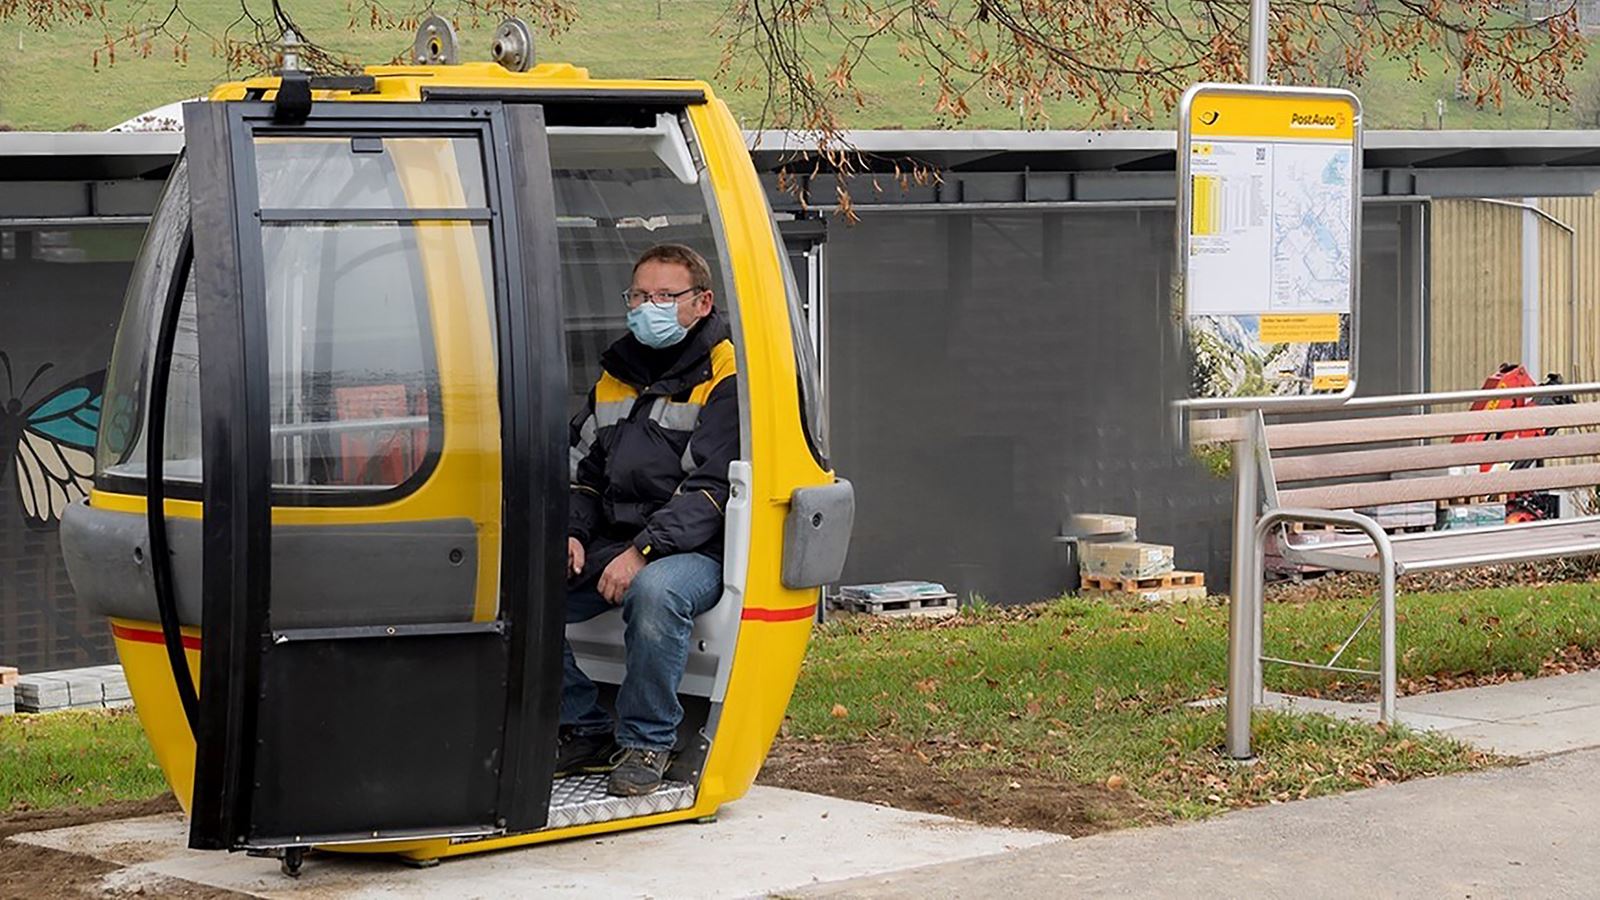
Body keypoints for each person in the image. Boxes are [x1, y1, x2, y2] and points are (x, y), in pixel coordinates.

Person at [556, 243, 739, 797]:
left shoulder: (726, 375)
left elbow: (711, 487)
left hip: (698, 548)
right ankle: (583, 724)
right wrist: (572, 532)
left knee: (656, 592)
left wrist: (644, 552)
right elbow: (583, 473)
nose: (647, 307)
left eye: (664, 296)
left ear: (702, 303)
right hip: (617, 539)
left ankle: (648, 741)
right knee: (522, 592)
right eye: (639, 296)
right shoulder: (615, 376)